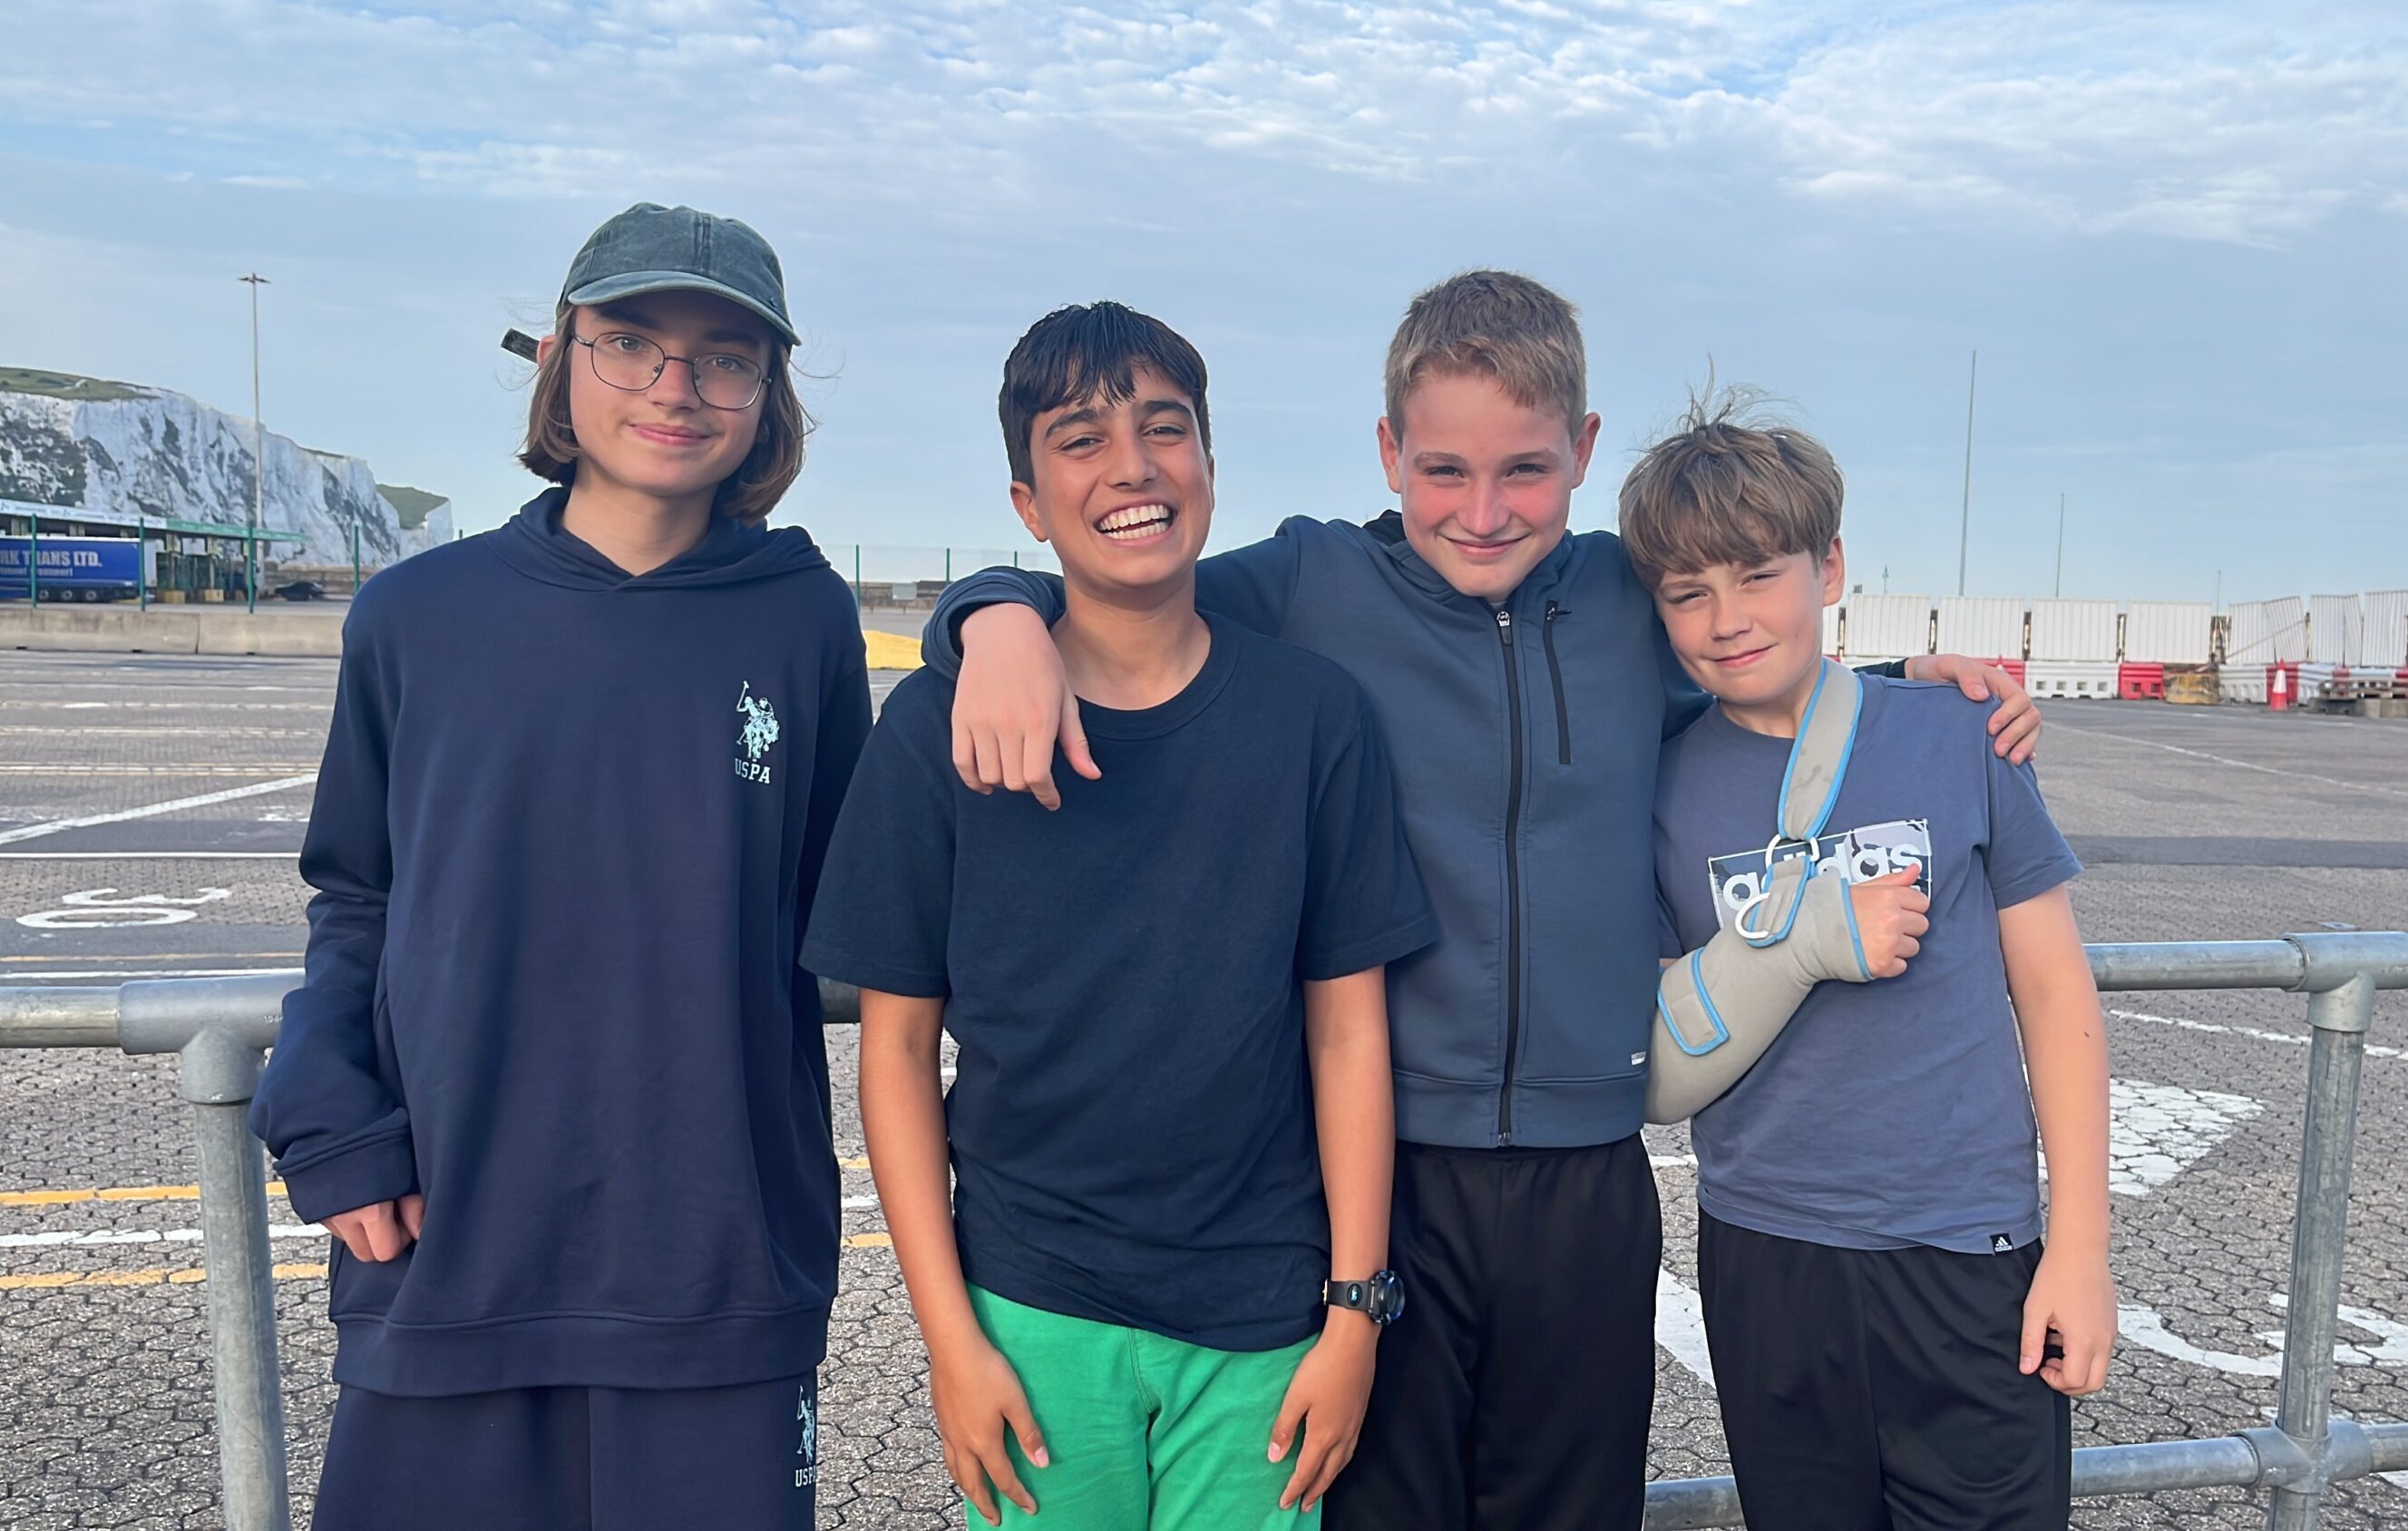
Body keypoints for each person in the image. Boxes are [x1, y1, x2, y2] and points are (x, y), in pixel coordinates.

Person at [918, 270, 2041, 1529]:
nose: (1484, 510)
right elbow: (1118, 584)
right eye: (1444, 470)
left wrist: (1902, 677)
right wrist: (987, 618)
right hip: (1381, 1176)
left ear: (1583, 451)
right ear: (1387, 451)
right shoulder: (1311, 583)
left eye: (1526, 471)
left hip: (1587, 1181)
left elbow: (1748, 661)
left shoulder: (1624, 598)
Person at [250, 202, 870, 1531]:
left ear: (766, 395)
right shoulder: (416, 615)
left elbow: (855, 904)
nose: (674, 386)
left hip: (717, 1276)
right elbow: (355, 890)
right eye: (630, 341)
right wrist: (329, 1110)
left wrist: (998, 611)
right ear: (559, 359)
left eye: (724, 357)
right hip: (448, 1250)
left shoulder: (805, 619)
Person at [804, 300, 1436, 1529]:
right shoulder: (935, 731)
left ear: (1208, 462)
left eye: (1164, 428)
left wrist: (1353, 1314)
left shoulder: (1313, 717)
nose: (1133, 466)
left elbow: (1348, 1029)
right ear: (1028, 503)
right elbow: (895, 1051)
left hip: (1263, 1314)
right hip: (1029, 1306)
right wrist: (950, 1341)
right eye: (1080, 440)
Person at [1628, 395, 2115, 1531]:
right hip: (1766, 1250)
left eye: (1758, 575)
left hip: (1969, 1245)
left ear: (1831, 566)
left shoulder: (1960, 732)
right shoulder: (1655, 783)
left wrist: (2082, 1248)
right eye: (1688, 591)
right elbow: (1649, 1028)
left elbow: (2055, 992)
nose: (1727, 618)